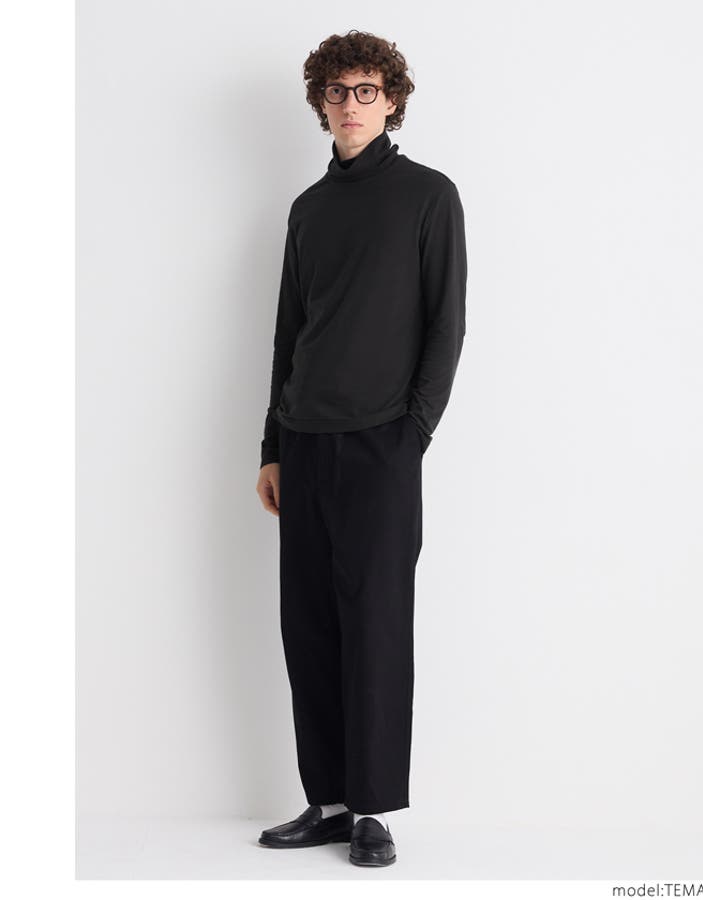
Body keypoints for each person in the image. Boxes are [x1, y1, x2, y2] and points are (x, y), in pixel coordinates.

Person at [254, 30, 467, 868]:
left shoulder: (428, 196)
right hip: (304, 445)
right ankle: (330, 802)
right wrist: (272, 445)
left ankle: (373, 809)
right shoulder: (308, 209)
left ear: (392, 100)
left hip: (383, 445)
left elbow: (446, 325)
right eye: (337, 91)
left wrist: (413, 433)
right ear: (320, 102)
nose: (351, 104)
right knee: (308, 627)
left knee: (375, 627)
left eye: (366, 90)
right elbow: (288, 335)